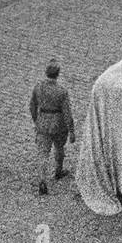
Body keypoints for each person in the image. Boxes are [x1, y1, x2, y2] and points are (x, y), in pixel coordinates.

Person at [29, 59, 75, 196]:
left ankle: (42, 179)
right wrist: (71, 130)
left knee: (43, 154)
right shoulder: (62, 91)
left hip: (43, 123)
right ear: (58, 74)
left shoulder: (38, 87)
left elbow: (32, 105)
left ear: (46, 72)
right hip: (58, 124)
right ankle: (58, 171)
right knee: (59, 148)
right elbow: (67, 112)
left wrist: (36, 120)